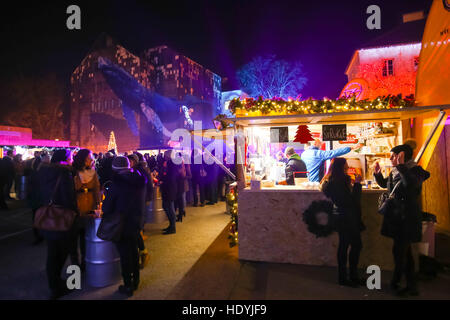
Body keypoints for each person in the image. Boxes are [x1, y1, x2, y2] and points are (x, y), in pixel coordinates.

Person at [374, 144, 430, 297]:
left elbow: (411, 186)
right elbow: (388, 186)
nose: (390, 158)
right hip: (397, 218)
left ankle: (398, 282)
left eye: (393, 156)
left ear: (402, 156)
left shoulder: (416, 171)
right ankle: (408, 285)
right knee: (404, 252)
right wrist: (378, 175)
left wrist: (401, 167)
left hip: (407, 218)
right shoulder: (396, 170)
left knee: (400, 252)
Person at [101, 156, 146, 297]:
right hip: (137, 220)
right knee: (133, 251)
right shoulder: (139, 180)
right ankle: (136, 280)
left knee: (125, 255)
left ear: (115, 168)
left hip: (122, 223)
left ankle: (127, 285)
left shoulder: (116, 184)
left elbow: (107, 208)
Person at [37, 149, 77, 300]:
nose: (72, 160)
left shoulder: (43, 172)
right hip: (62, 218)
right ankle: (59, 287)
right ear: (64, 159)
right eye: (70, 157)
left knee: (52, 254)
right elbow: (69, 199)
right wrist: (75, 214)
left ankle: (54, 283)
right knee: (64, 252)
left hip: (47, 217)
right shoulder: (64, 174)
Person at [321, 158, 365, 287]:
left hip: (340, 217)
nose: (348, 166)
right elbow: (352, 201)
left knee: (344, 246)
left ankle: (346, 276)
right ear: (342, 167)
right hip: (348, 217)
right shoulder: (341, 182)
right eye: (346, 164)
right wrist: (357, 184)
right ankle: (349, 277)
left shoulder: (332, 181)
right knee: (355, 245)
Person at [72, 149, 101, 270]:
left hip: (88, 206)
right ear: (82, 159)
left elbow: (96, 190)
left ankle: (85, 261)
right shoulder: (73, 172)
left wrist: (97, 205)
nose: (91, 160)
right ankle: (75, 265)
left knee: (85, 236)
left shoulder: (93, 173)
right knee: (73, 238)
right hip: (75, 206)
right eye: (89, 158)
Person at [127, 153, 152, 269]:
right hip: (134, 203)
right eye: (129, 161)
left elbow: (149, 185)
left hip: (140, 202)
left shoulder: (140, 171)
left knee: (135, 228)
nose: (130, 163)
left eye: (131, 161)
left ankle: (143, 253)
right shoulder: (131, 171)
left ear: (135, 161)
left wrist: (148, 198)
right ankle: (142, 251)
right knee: (135, 229)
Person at [159, 150, 178, 234]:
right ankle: (171, 225)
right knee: (167, 206)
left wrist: (163, 181)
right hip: (169, 188)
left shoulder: (171, 164)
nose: (164, 156)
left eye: (165, 155)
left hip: (169, 188)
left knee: (169, 207)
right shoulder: (169, 163)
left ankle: (172, 227)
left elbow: (170, 177)